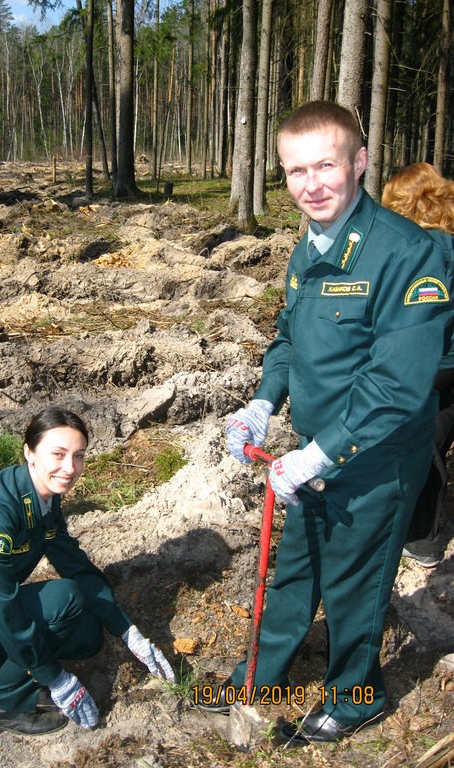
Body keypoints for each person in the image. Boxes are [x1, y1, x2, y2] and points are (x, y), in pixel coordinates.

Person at [200, 101, 452, 746]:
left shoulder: (412, 254)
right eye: (294, 171)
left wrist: (321, 454)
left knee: (354, 584)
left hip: (376, 460)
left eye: (325, 166)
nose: (310, 185)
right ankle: (258, 681)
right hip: (312, 450)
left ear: (359, 162)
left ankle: (357, 694)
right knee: (294, 571)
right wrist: (263, 401)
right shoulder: (307, 246)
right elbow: (288, 339)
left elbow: (398, 383)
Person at [0, 406, 175, 736]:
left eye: (79, 456)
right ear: (29, 453)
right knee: (65, 599)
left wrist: (128, 632)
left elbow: (76, 566)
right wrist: (55, 678)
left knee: (88, 636)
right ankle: (3, 704)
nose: (70, 468)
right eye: (58, 454)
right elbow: (3, 604)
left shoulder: (45, 496)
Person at [382, 162, 454, 567]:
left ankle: (420, 536)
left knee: (421, 435)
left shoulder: (409, 250)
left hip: (427, 360)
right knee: (441, 423)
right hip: (450, 364)